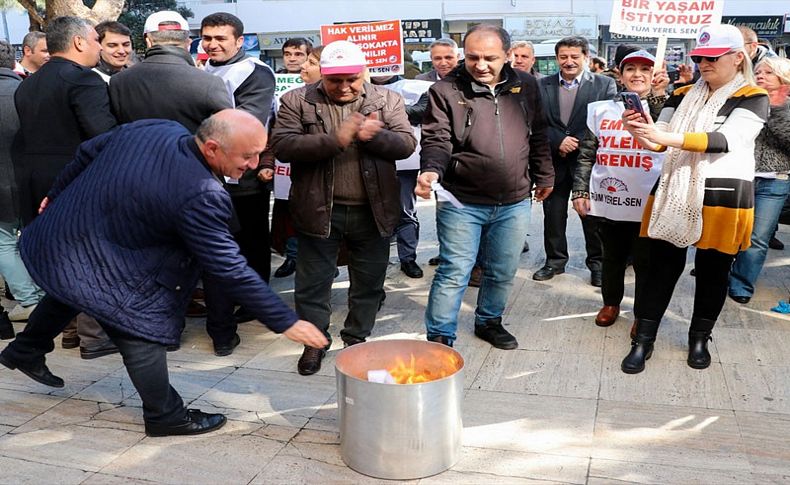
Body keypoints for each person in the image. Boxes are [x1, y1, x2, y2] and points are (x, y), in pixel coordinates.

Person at [0, 110, 328, 437]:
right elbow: (229, 267)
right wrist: (286, 321)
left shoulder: (154, 126)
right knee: (140, 336)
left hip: (70, 235)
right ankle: (165, 417)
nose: (254, 165)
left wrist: (55, 195)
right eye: (247, 156)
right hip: (96, 249)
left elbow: (86, 152)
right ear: (212, 147)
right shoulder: (202, 192)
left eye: (259, 153)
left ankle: (25, 350)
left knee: (71, 286)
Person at [620, 24, 768, 374]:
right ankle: (643, 339)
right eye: (699, 56)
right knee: (659, 269)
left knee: (714, 272)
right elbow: (659, 142)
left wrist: (662, 135)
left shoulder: (753, 96)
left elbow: (724, 140)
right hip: (673, 187)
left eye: (712, 57)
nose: (704, 62)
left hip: (725, 193)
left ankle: (700, 338)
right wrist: (640, 131)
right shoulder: (682, 92)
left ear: (737, 57)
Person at [271, 40, 416, 375]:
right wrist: (333, 140)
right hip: (318, 208)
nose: (345, 87)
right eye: (336, 80)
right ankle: (315, 341)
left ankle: (356, 338)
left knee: (368, 281)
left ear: (364, 73)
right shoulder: (297, 99)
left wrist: (375, 136)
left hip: (373, 210)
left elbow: (407, 144)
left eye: (352, 79)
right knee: (313, 282)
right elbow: (282, 145)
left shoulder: (386, 99)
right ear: (322, 74)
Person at [416, 24, 554, 349]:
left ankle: (489, 321)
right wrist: (431, 171)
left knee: (503, 269)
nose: (480, 65)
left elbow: (538, 135)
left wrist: (545, 174)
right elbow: (436, 139)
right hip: (460, 201)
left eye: (490, 58)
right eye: (472, 57)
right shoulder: (445, 90)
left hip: (515, 200)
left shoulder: (528, 86)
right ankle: (439, 337)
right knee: (454, 270)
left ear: (507, 56)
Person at [14, 17, 119, 357]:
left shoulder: (30, 82)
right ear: (77, 43)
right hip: (78, 185)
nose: (100, 47)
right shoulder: (84, 81)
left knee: (62, 262)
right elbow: (103, 138)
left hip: (37, 185)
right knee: (92, 261)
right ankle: (94, 336)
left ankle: (70, 331)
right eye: (95, 40)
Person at [572, 49, 669, 328]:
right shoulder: (600, 109)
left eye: (645, 69)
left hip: (650, 201)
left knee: (646, 263)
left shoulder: (667, 107)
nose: (637, 75)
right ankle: (610, 303)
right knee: (611, 257)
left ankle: (642, 315)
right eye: (631, 69)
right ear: (620, 73)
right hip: (610, 200)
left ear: (655, 74)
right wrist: (580, 190)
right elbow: (587, 154)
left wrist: (660, 96)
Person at [201, 12, 277, 354]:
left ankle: (254, 299)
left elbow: (246, 122)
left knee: (253, 241)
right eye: (207, 37)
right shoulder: (201, 71)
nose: (212, 44)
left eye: (220, 38)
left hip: (244, 176)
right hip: (208, 175)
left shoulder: (257, 72)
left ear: (239, 41)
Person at [535, 36, 617, 286]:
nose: (568, 62)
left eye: (574, 56)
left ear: (586, 58)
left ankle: (598, 264)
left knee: (592, 216)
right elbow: (534, 121)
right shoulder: (542, 85)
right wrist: (558, 139)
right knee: (553, 215)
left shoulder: (604, 85)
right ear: (557, 58)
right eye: (563, 57)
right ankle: (555, 261)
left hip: (588, 162)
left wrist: (577, 141)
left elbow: (608, 122)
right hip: (554, 160)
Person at [727, 57, 790, 304]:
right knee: (728, 231)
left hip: (774, 181)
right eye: (759, 71)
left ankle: (741, 284)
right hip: (739, 175)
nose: (761, 75)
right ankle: (716, 272)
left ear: (783, 79)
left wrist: (774, 107)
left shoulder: (785, 106)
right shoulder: (745, 100)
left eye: (769, 73)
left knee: (758, 237)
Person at [109, 10, 232, 132]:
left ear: (148, 41)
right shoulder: (209, 82)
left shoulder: (118, 81)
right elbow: (228, 131)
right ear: (188, 42)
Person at [0, 40, 44, 331]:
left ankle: (30, 300)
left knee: (3, 240)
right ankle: (41, 294)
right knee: (29, 238)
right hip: (29, 177)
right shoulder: (26, 91)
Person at [271, 46, 325, 279]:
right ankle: (297, 260)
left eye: (311, 62)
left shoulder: (369, 98)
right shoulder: (291, 98)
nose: (302, 64)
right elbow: (278, 139)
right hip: (299, 181)